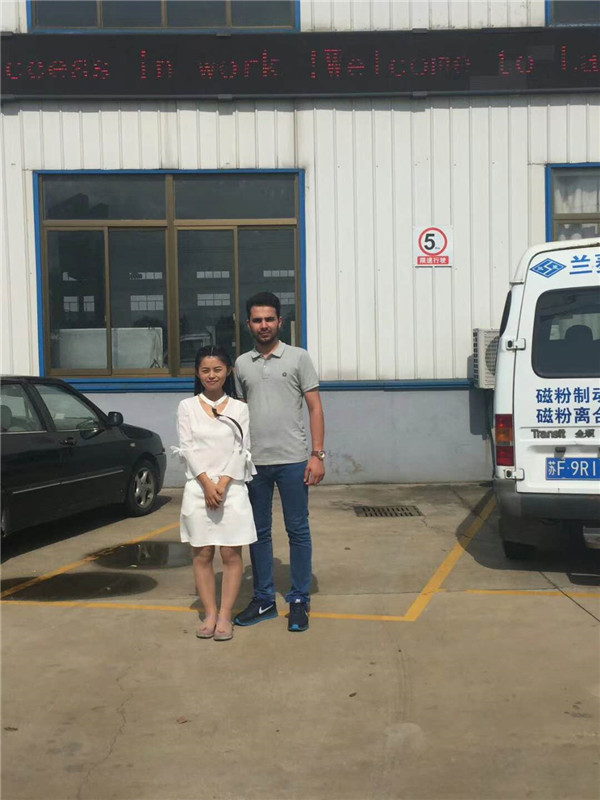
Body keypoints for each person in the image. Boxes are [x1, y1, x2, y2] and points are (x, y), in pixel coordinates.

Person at [233, 292, 325, 633]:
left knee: (297, 530)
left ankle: (299, 599)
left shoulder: (299, 358)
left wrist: (317, 454)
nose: (264, 325)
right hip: (254, 463)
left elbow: (315, 407)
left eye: (269, 319)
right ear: (248, 324)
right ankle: (264, 600)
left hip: (293, 460)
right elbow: (239, 414)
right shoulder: (241, 364)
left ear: (280, 322)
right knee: (257, 532)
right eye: (257, 320)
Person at [175, 345, 257, 642]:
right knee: (202, 553)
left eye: (217, 370)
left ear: (228, 372)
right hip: (198, 489)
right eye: (205, 370)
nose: (211, 375)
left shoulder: (240, 408)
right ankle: (209, 613)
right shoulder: (187, 407)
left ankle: (225, 615)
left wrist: (221, 485)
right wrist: (207, 485)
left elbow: (241, 450)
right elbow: (187, 448)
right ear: (198, 373)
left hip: (231, 489)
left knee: (231, 553)